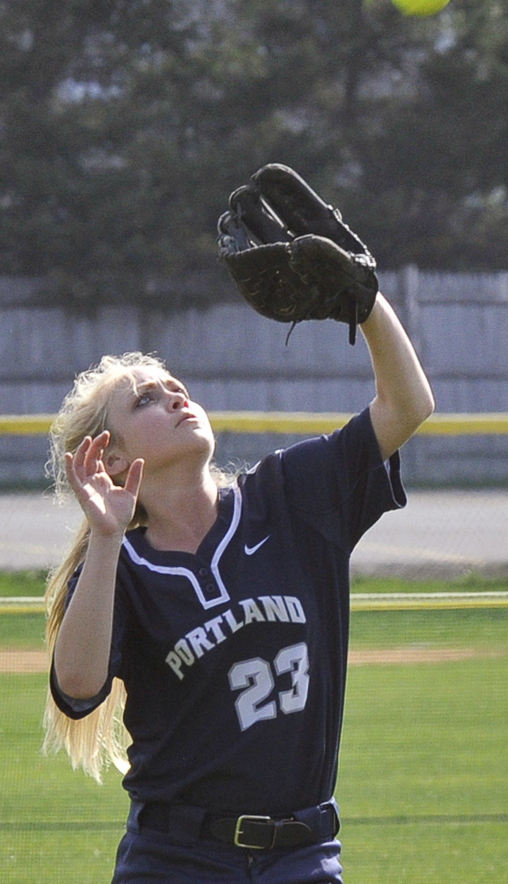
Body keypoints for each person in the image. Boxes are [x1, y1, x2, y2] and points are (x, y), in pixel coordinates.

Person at [43, 291, 434, 884]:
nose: (175, 395)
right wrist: (104, 539)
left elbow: (408, 406)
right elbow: (76, 688)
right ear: (112, 459)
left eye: (176, 385)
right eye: (146, 400)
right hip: (175, 859)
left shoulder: (287, 495)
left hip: (302, 854)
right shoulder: (119, 566)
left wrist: (368, 301)